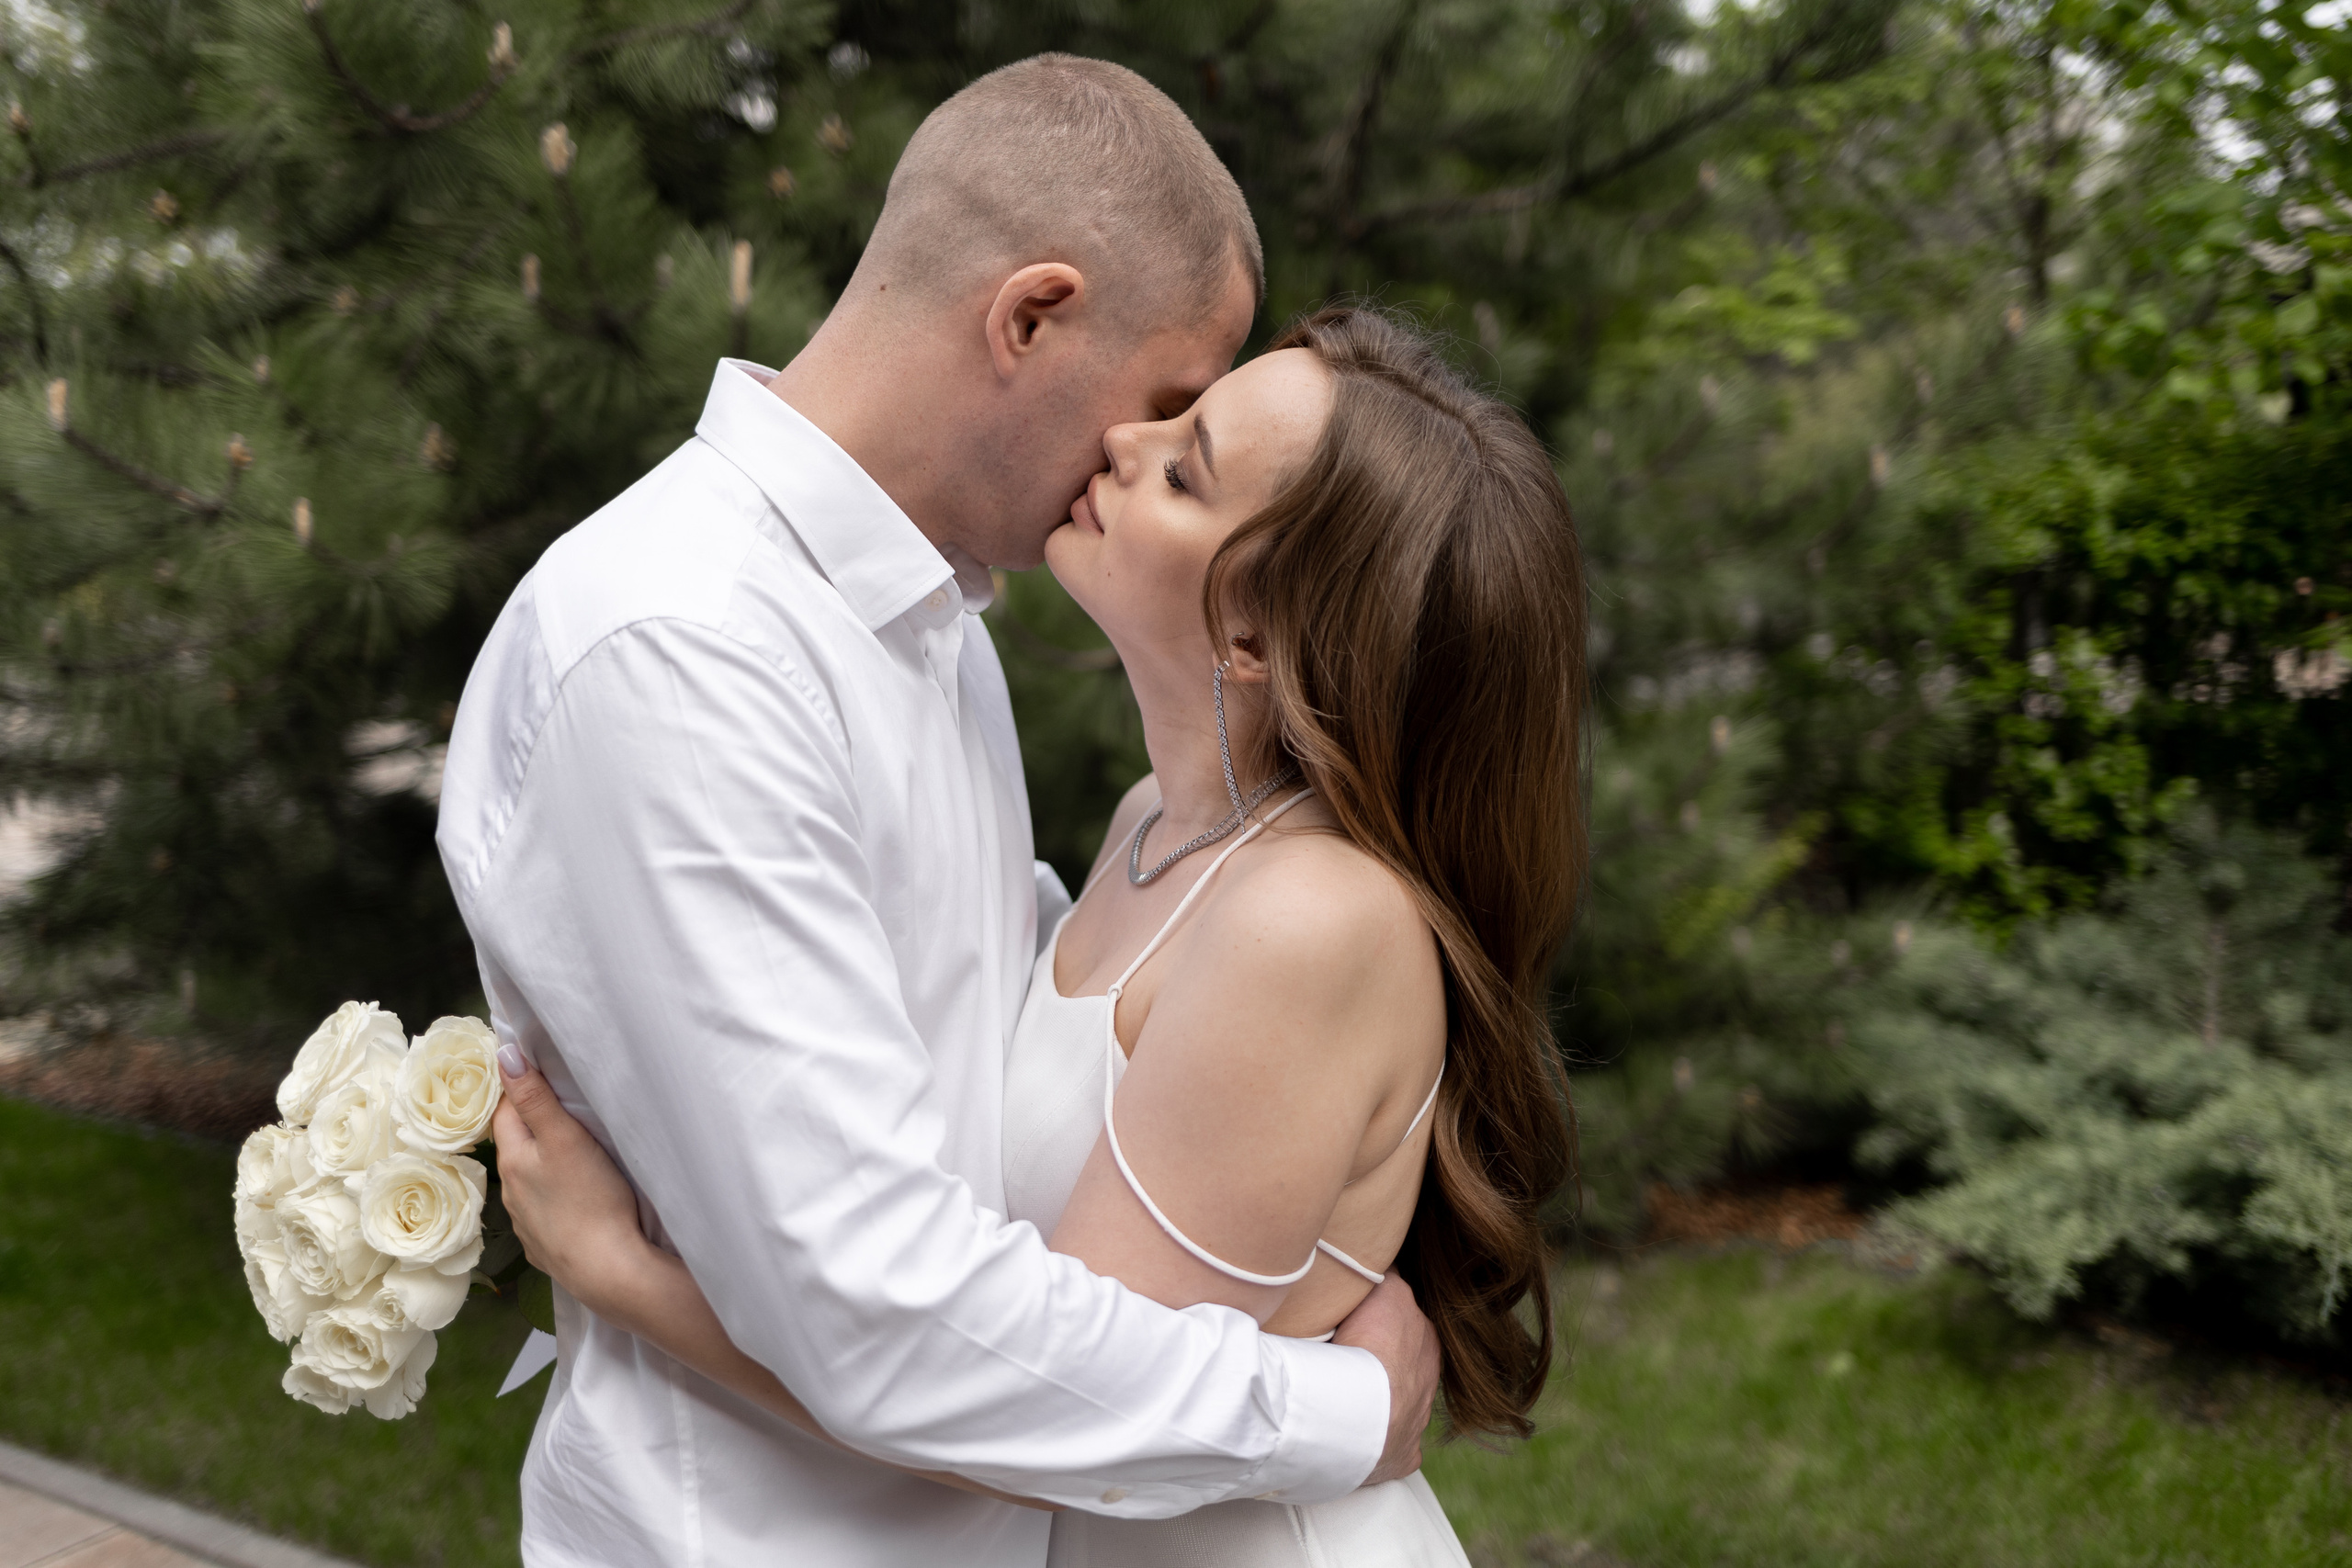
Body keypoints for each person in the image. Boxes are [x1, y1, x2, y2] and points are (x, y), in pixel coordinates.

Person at [437, 54, 1443, 1568]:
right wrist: (1339, 1416)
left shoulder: (925, 622)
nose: (1131, 456)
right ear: (1030, 317)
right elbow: (879, 1309)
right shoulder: (687, 647)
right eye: (1166, 401)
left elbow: (1008, 1044)